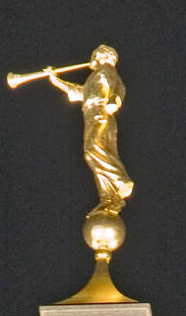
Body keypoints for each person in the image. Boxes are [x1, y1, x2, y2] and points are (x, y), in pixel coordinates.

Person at [45, 45, 134, 216]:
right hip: (91, 115)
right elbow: (80, 92)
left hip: (100, 114)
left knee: (93, 149)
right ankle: (108, 196)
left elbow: (119, 88)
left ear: (102, 57)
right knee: (93, 152)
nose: (93, 59)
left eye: (95, 55)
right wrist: (55, 80)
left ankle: (121, 181)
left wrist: (115, 101)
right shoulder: (95, 76)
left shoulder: (107, 71)